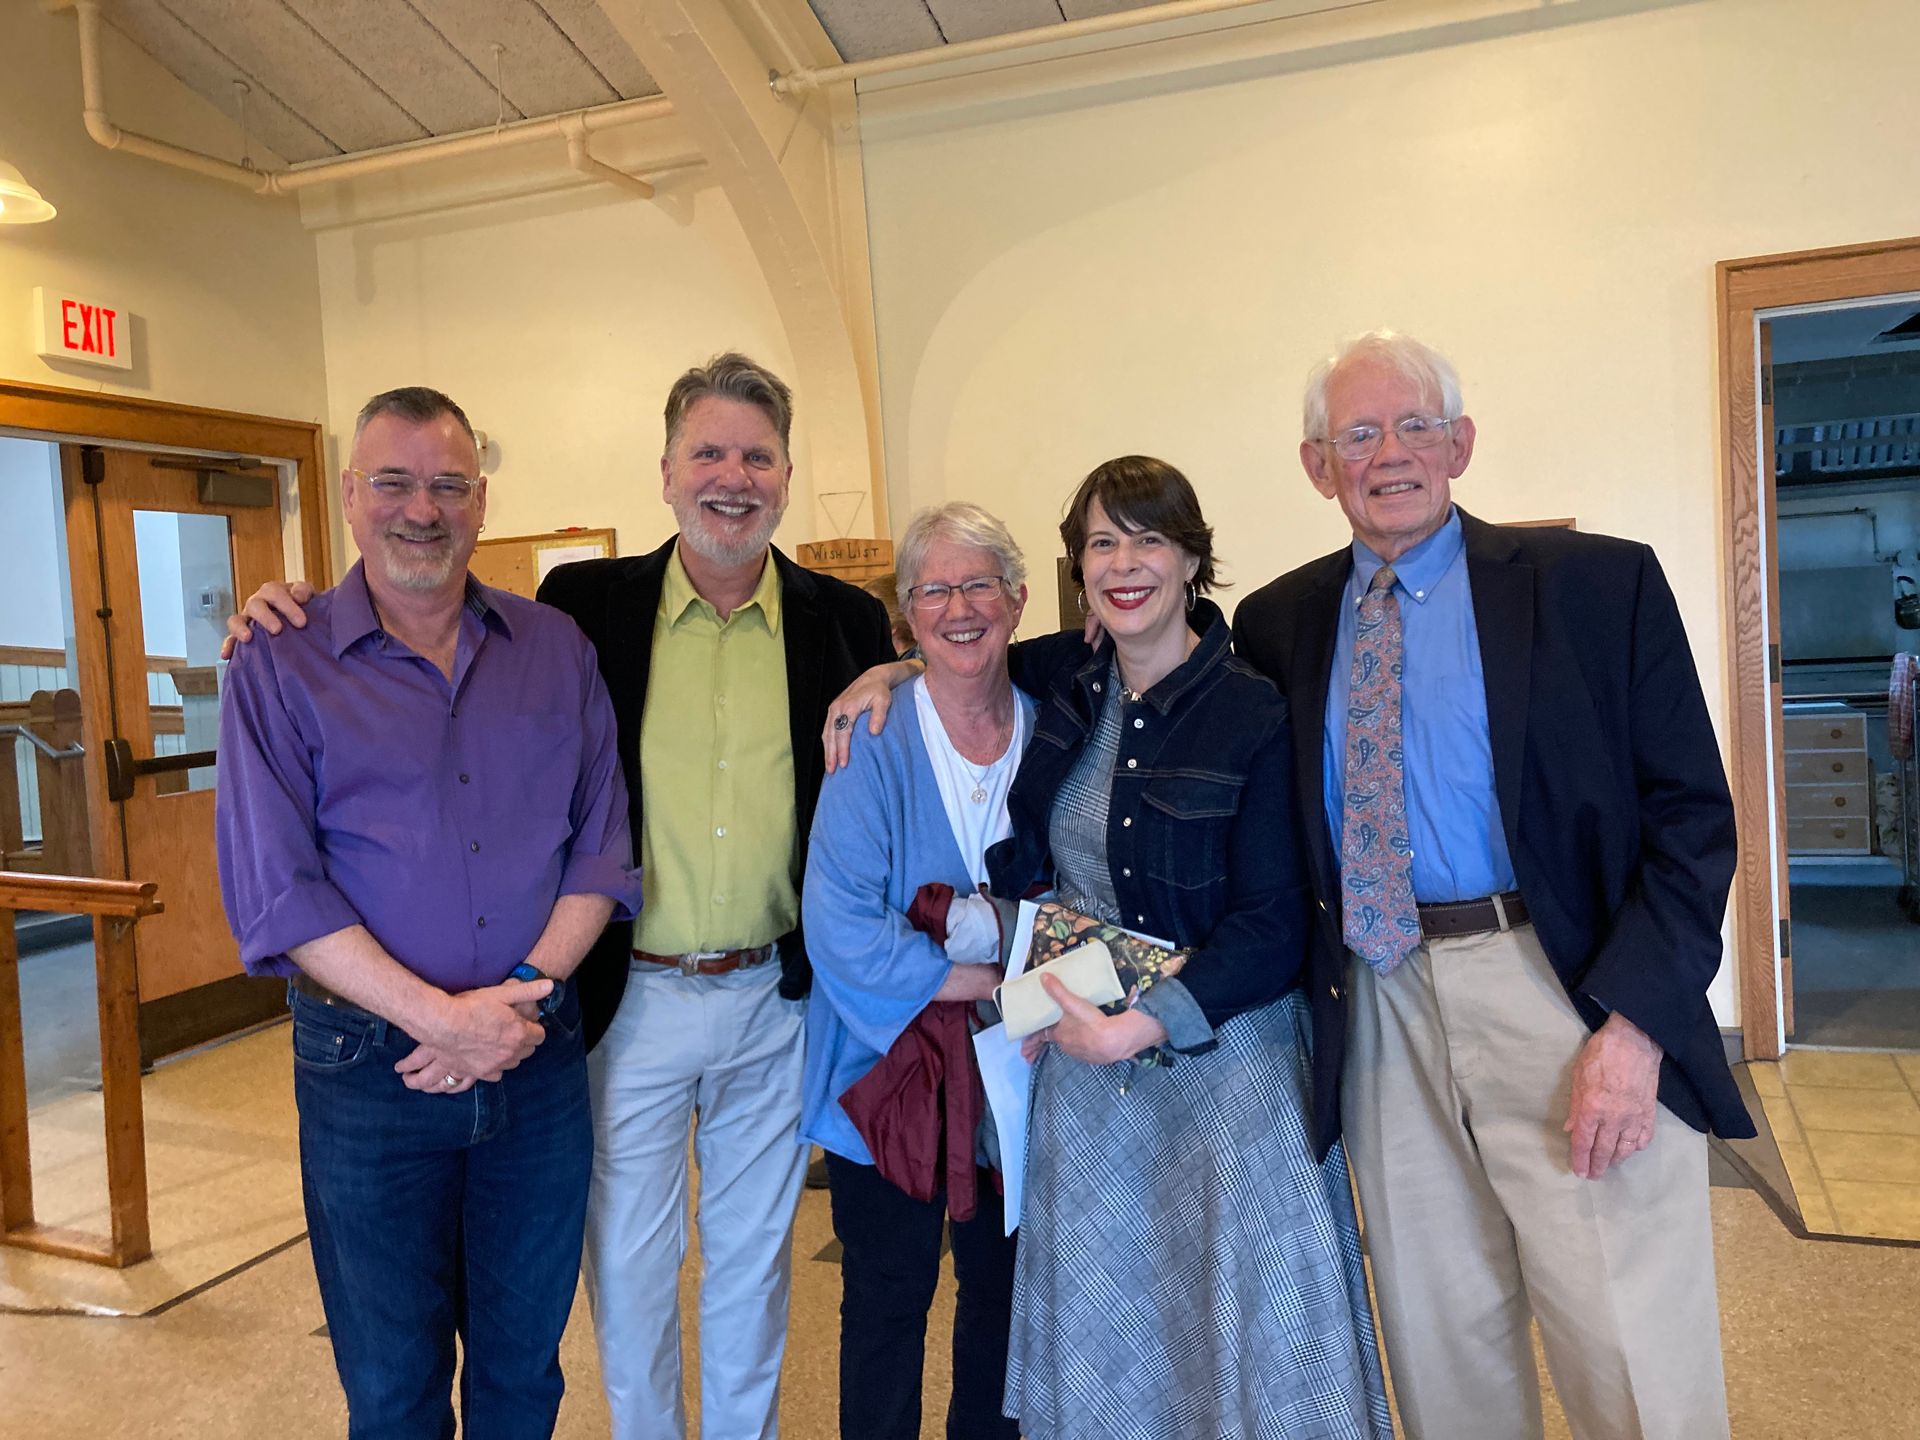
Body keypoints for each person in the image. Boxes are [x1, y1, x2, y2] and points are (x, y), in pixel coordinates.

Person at [226, 354, 896, 1440]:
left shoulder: (846, 623)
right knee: (623, 1270)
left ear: (785, 476)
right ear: (667, 474)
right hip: (623, 999)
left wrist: (902, 672)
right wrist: (280, 597)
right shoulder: (587, 606)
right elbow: (291, 876)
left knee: (749, 1271)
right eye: (708, 453)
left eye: (758, 455)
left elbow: (959, 678)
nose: (734, 476)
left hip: (771, 997)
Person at [1231, 330, 1755, 1440]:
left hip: (1565, 992)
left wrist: (1634, 1027)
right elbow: (1131, 667)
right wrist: (906, 663)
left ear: (1461, 444)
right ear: (1317, 465)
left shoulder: (1594, 586)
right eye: (1357, 434)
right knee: (1441, 1338)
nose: (1390, 454)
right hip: (1382, 1000)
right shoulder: (1276, 623)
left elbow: (1692, 823)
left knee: (1628, 1341)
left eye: (1416, 425)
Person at [824, 459, 1391, 1439]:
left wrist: (1142, 1026)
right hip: (1088, 1100)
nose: (1125, 564)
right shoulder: (1072, 686)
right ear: (1077, 570)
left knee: (1233, 1348)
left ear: (1191, 557)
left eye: (1147, 539)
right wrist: (893, 665)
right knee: (1113, 1357)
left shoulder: (1252, 712)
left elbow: (1272, 923)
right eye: (1100, 543)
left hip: (1221, 1079)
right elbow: (966, 643)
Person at [216, 385, 641, 1437]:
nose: (423, 509)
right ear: (351, 497)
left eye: (448, 484)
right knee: (393, 1384)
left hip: (536, 1060)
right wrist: (438, 1019)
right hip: (367, 1073)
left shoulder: (556, 649)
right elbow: (280, 889)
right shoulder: (279, 658)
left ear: (482, 501)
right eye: (395, 482)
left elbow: (602, 852)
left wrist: (514, 1006)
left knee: (521, 1372)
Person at [800, 502, 1030, 1440]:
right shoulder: (871, 736)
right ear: (907, 614)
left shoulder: (1060, 726)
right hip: (884, 1077)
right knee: (888, 1306)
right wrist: (993, 982)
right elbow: (841, 926)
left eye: (979, 583)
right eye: (933, 589)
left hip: (1023, 1076)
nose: (959, 606)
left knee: (1006, 1303)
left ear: (1018, 600)